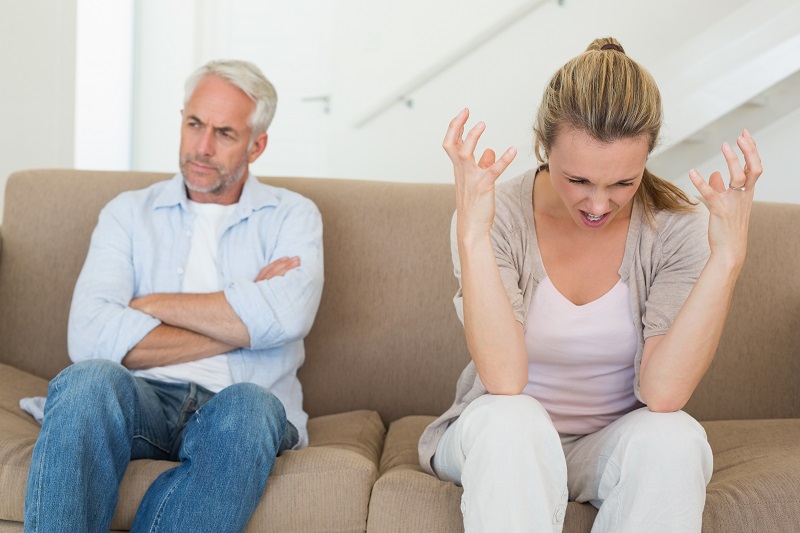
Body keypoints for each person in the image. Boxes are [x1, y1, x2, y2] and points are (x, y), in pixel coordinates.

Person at [418, 37, 763, 532]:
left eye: (623, 183)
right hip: (498, 438)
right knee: (512, 422)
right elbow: (504, 380)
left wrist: (726, 260)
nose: (599, 206)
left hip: (606, 446)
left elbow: (663, 392)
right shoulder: (498, 215)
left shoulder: (676, 228)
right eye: (578, 180)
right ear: (544, 148)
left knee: (675, 438)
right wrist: (473, 233)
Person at [24, 59, 324, 532]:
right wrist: (246, 320)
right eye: (194, 124)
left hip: (235, 406)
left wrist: (152, 305)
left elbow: (288, 317)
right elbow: (88, 335)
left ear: (257, 144)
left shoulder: (293, 215)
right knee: (89, 379)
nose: (202, 147)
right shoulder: (127, 213)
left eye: (224, 133)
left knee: (252, 406)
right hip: (141, 397)